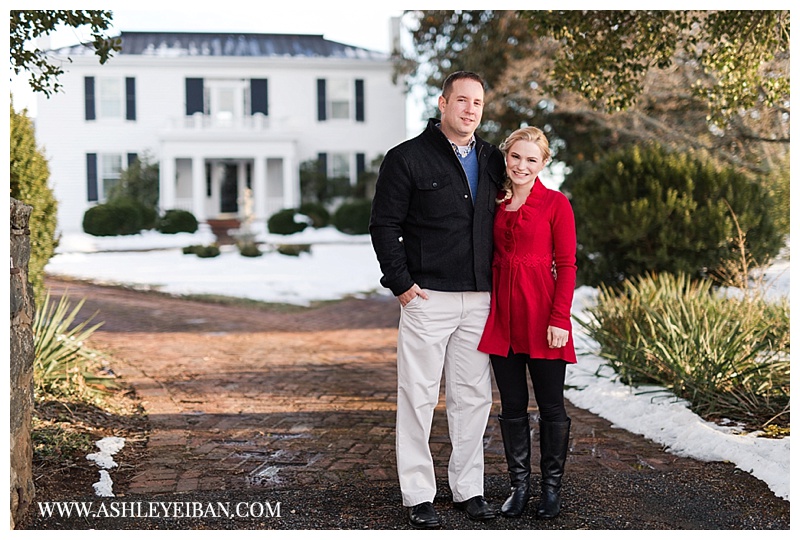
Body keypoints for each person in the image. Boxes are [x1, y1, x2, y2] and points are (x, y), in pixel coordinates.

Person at [369, 71, 505, 529]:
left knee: (473, 398)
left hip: (479, 298)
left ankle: (469, 490)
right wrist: (402, 284)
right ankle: (419, 494)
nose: (470, 109)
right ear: (443, 103)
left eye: (478, 103)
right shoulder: (406, 158)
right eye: (462, 100)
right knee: (418, 397)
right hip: (427, 297)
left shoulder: (492, 159)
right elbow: (384, 225)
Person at [477, 126, 577, 520]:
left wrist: (560, 318)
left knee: (552, 405)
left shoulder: (556, 204)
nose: (522, 165)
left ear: (543, 163)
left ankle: (551, 490)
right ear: (506, 157)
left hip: (543, 317)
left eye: (531, 159)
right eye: (516, 157)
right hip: (503, 317)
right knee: (513, 405)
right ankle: (519, 487)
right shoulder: (493, 203)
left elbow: (567, 265)